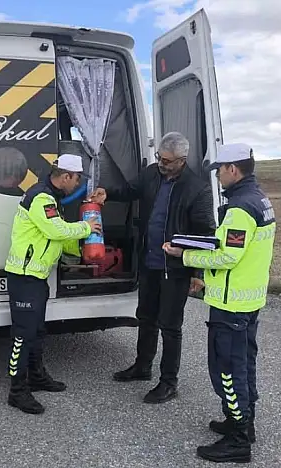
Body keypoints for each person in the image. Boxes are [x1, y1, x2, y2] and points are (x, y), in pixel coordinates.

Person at [163, 143, 275, 463]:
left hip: (231, 303)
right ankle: (243, 424)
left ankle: (238, 440)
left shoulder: (240, 209)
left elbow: (227, 256)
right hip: (248, 299)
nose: (218, 177)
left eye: (220, 171)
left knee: (227, 369)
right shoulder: (259, 199)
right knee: (244, 364)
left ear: (232, 169)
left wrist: (185, 255)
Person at [89, 132, 216, 404]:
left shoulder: (197, 189)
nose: (161, 163)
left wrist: (198, 273)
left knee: (170, 325)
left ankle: (169, 382)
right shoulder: (151, 174)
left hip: (176, 269)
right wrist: (107, 192)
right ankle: (142, 366)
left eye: (167, 161)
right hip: (149, 262)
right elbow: (130, 190)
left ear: (182, 160)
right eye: (159, 157)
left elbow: (205, 234)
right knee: (145, 317)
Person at [3, 153, 101, 415]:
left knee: (37, 331)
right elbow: (55, 230)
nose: (78, 183)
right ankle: (17, 391)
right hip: (24, 277)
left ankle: (36, 377)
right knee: (23, 335)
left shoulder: (51, 197)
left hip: (37, 276)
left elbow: (56, 235)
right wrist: (86, 228)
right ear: (66, 176)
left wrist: (80, 252)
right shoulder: (42, 197)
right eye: (77, 179)